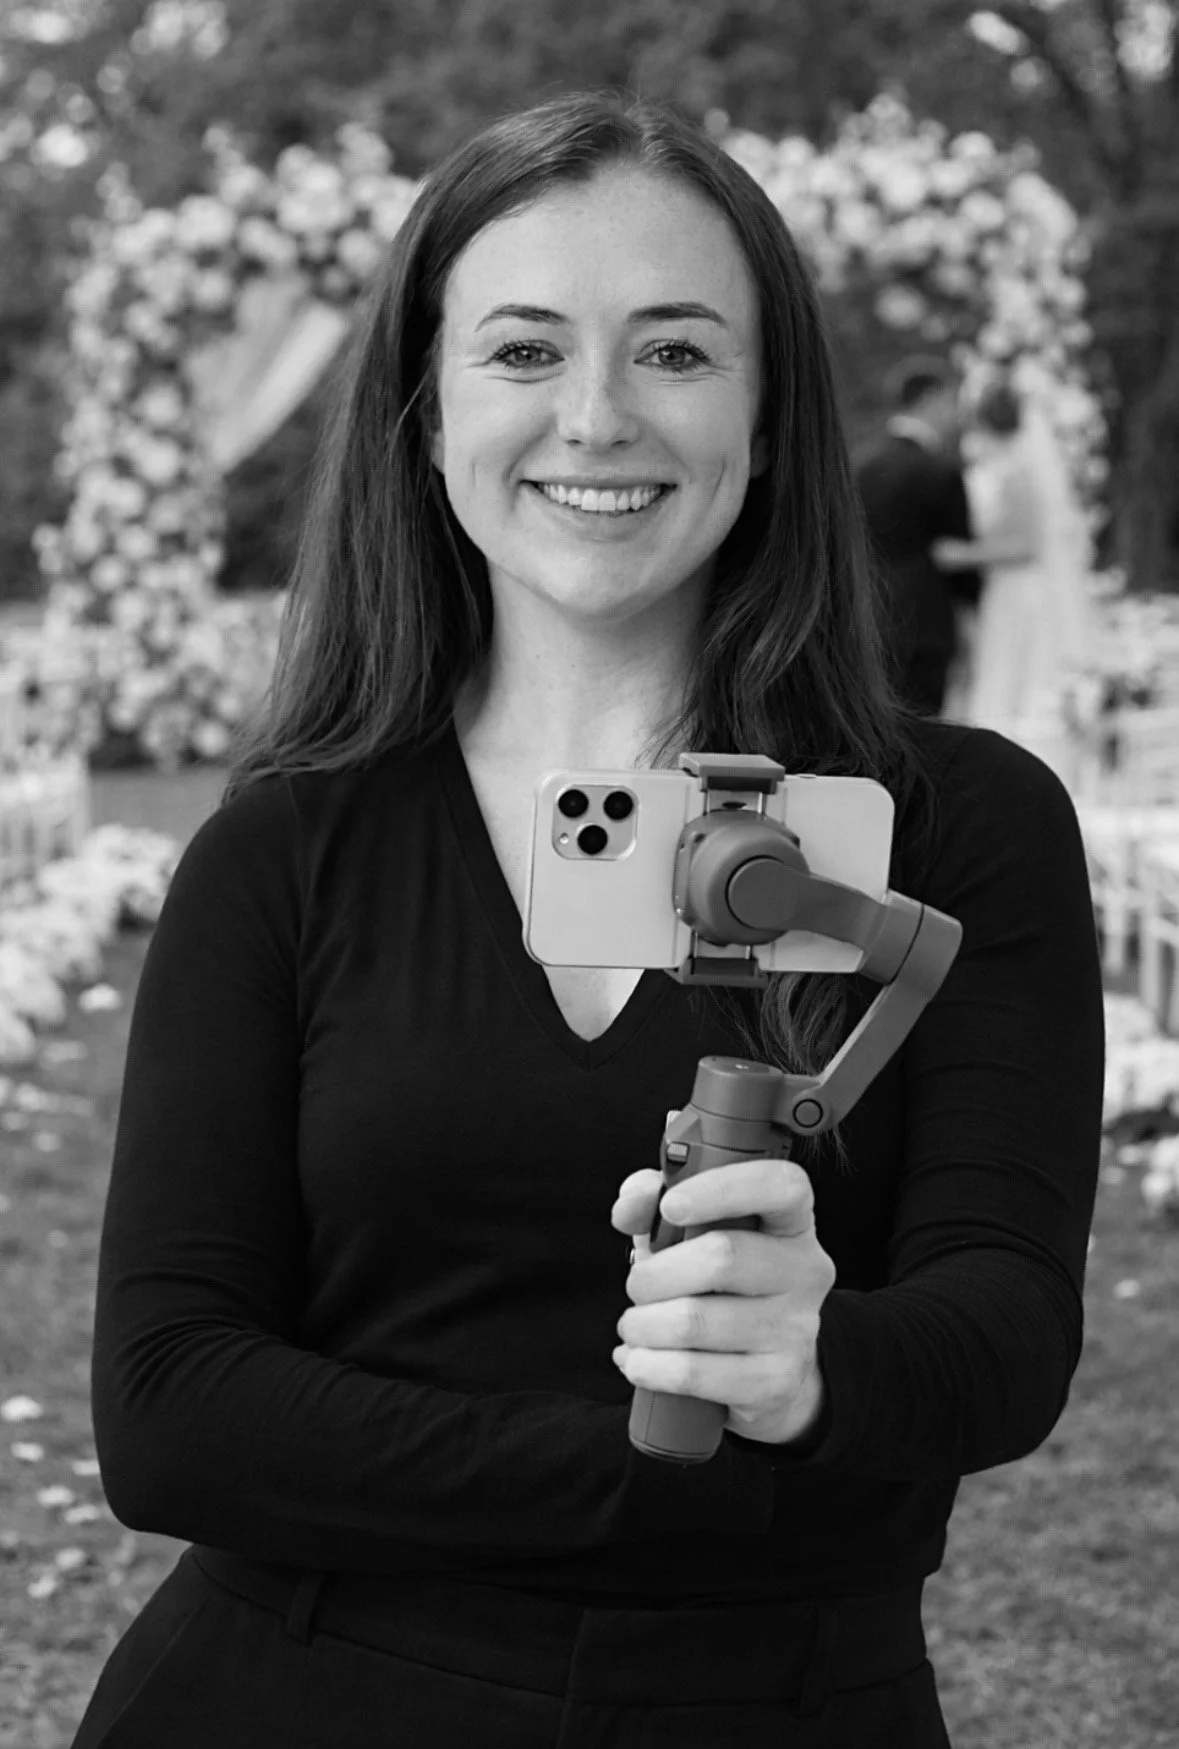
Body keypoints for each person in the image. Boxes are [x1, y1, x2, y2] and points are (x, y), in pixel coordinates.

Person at [71, 91, 1104, 1749]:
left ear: (768, 414)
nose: (597, 416)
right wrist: (680, 1474)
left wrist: (812, 1355)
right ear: (425, 413)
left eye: (675, 350)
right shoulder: (284, 848)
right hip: (287, 1692)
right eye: (523, 351)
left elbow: (1000, 1331)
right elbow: (169, 1411)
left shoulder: (954, 829)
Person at [933, 376, 1096, 749]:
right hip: (1002, 587)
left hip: (1019, 588)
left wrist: (960, 555)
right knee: (998, 671)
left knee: (1015, 673)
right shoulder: (993, 467)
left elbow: (1026, 546)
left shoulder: (1017, 471)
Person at [854, 358, 985, 715]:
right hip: (927, 624)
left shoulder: (860, 463)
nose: (954, 414)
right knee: (925, 729)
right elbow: (961, 566)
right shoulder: (938, 470)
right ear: (931, 398)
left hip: (867, 619)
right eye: (951, 402)